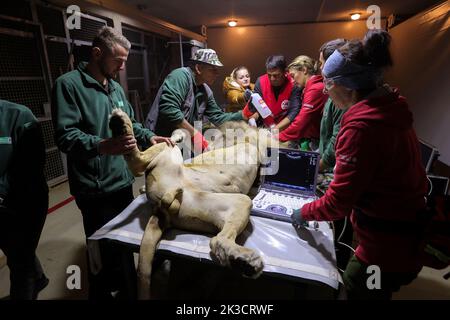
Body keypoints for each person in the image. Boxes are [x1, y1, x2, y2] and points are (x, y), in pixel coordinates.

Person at [291, 29, 428, 299]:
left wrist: (302, 213)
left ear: (347, 85)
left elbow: (337, 203)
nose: (327, 92)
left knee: (360, 286)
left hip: (384, 245)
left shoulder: (361, 128)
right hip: (407, 232)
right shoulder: (390, 106)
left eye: (329, 84)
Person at [52, 26, 172, 299]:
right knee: (100, 251)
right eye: (117, 61)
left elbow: (132, 125)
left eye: (125, 62)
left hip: (121, 181)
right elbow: (65, 136)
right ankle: (103, 292)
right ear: (97, 53)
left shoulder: (115, 87)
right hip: (93, 188)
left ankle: (128, 288)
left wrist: (150, 137)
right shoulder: (69, 85)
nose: (121, 67)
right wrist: (102, 146)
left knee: (123, 246)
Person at [145, 48, 248, 151]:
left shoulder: (205, 90)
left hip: (179, 143)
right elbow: (169, 109)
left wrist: (244, 114)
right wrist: (195, 134)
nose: (217, 74)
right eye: (212, 69)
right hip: (160, 141)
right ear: (198, 68)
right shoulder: (180, 76)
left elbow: (218, 117)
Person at [0, 99, 49, 300]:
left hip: (25, 202)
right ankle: (39, 278)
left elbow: (31, 168)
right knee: (16, 252)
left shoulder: (19, 116)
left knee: (21, 265)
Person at [274, 55, 328, 150]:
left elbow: (302, 121)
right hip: (314, 139)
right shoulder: (310, 89)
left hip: (320, 141)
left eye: (293, 75)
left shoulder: (315, 90)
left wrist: (277, 137)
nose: (292, 81)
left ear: (304, 70)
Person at [243, 55, 302, 131]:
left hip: (287, 130)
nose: (272, 79)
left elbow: (294, 111)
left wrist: (275, 129)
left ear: (285, 72)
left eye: (276, 75)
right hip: (266, 128)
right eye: (269, 75)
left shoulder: (294, 83)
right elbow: (258, 108)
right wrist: (253, 119)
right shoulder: (260, 82)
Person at [317, 39, 348, 172]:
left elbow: (336, 142)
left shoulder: (343, 100)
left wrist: (317, 168)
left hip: (329, 170)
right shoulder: (333, 97)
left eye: (322, 62)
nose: (320, 67)